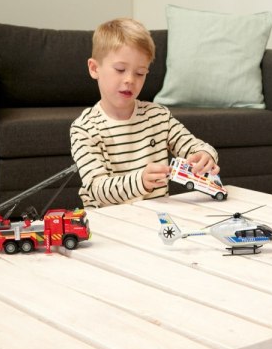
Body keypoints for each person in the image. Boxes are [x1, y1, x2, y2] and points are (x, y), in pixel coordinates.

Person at [70, 18, 219, 209]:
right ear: (94, 68)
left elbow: (195, 146)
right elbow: (97, 189)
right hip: (107, 218)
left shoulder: (159, 116)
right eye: (120, 69)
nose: (130, 80)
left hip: (154, 215)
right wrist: (140, 181)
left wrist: (205, 155)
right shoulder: (84, 128)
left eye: (140, 73)